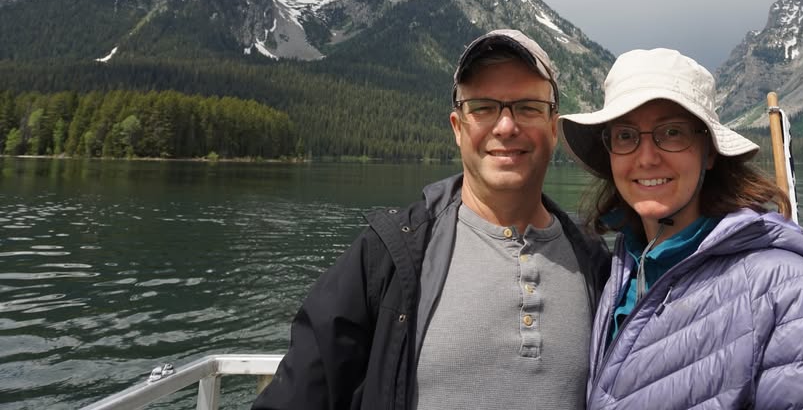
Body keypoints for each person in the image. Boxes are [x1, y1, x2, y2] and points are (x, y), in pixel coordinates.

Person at [252, 29, 611, 410]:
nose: (506, 127)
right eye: (483, 107)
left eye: (528, 107)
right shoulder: (388, 256)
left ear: (554, 127)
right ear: (458, 127)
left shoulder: (597, 267)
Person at [558, 48, 803, 410]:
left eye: (672, 132)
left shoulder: (792, 292)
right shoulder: (619, 270)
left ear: (709, 152)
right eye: (626, 135)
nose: (646, 157)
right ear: (611, 152)